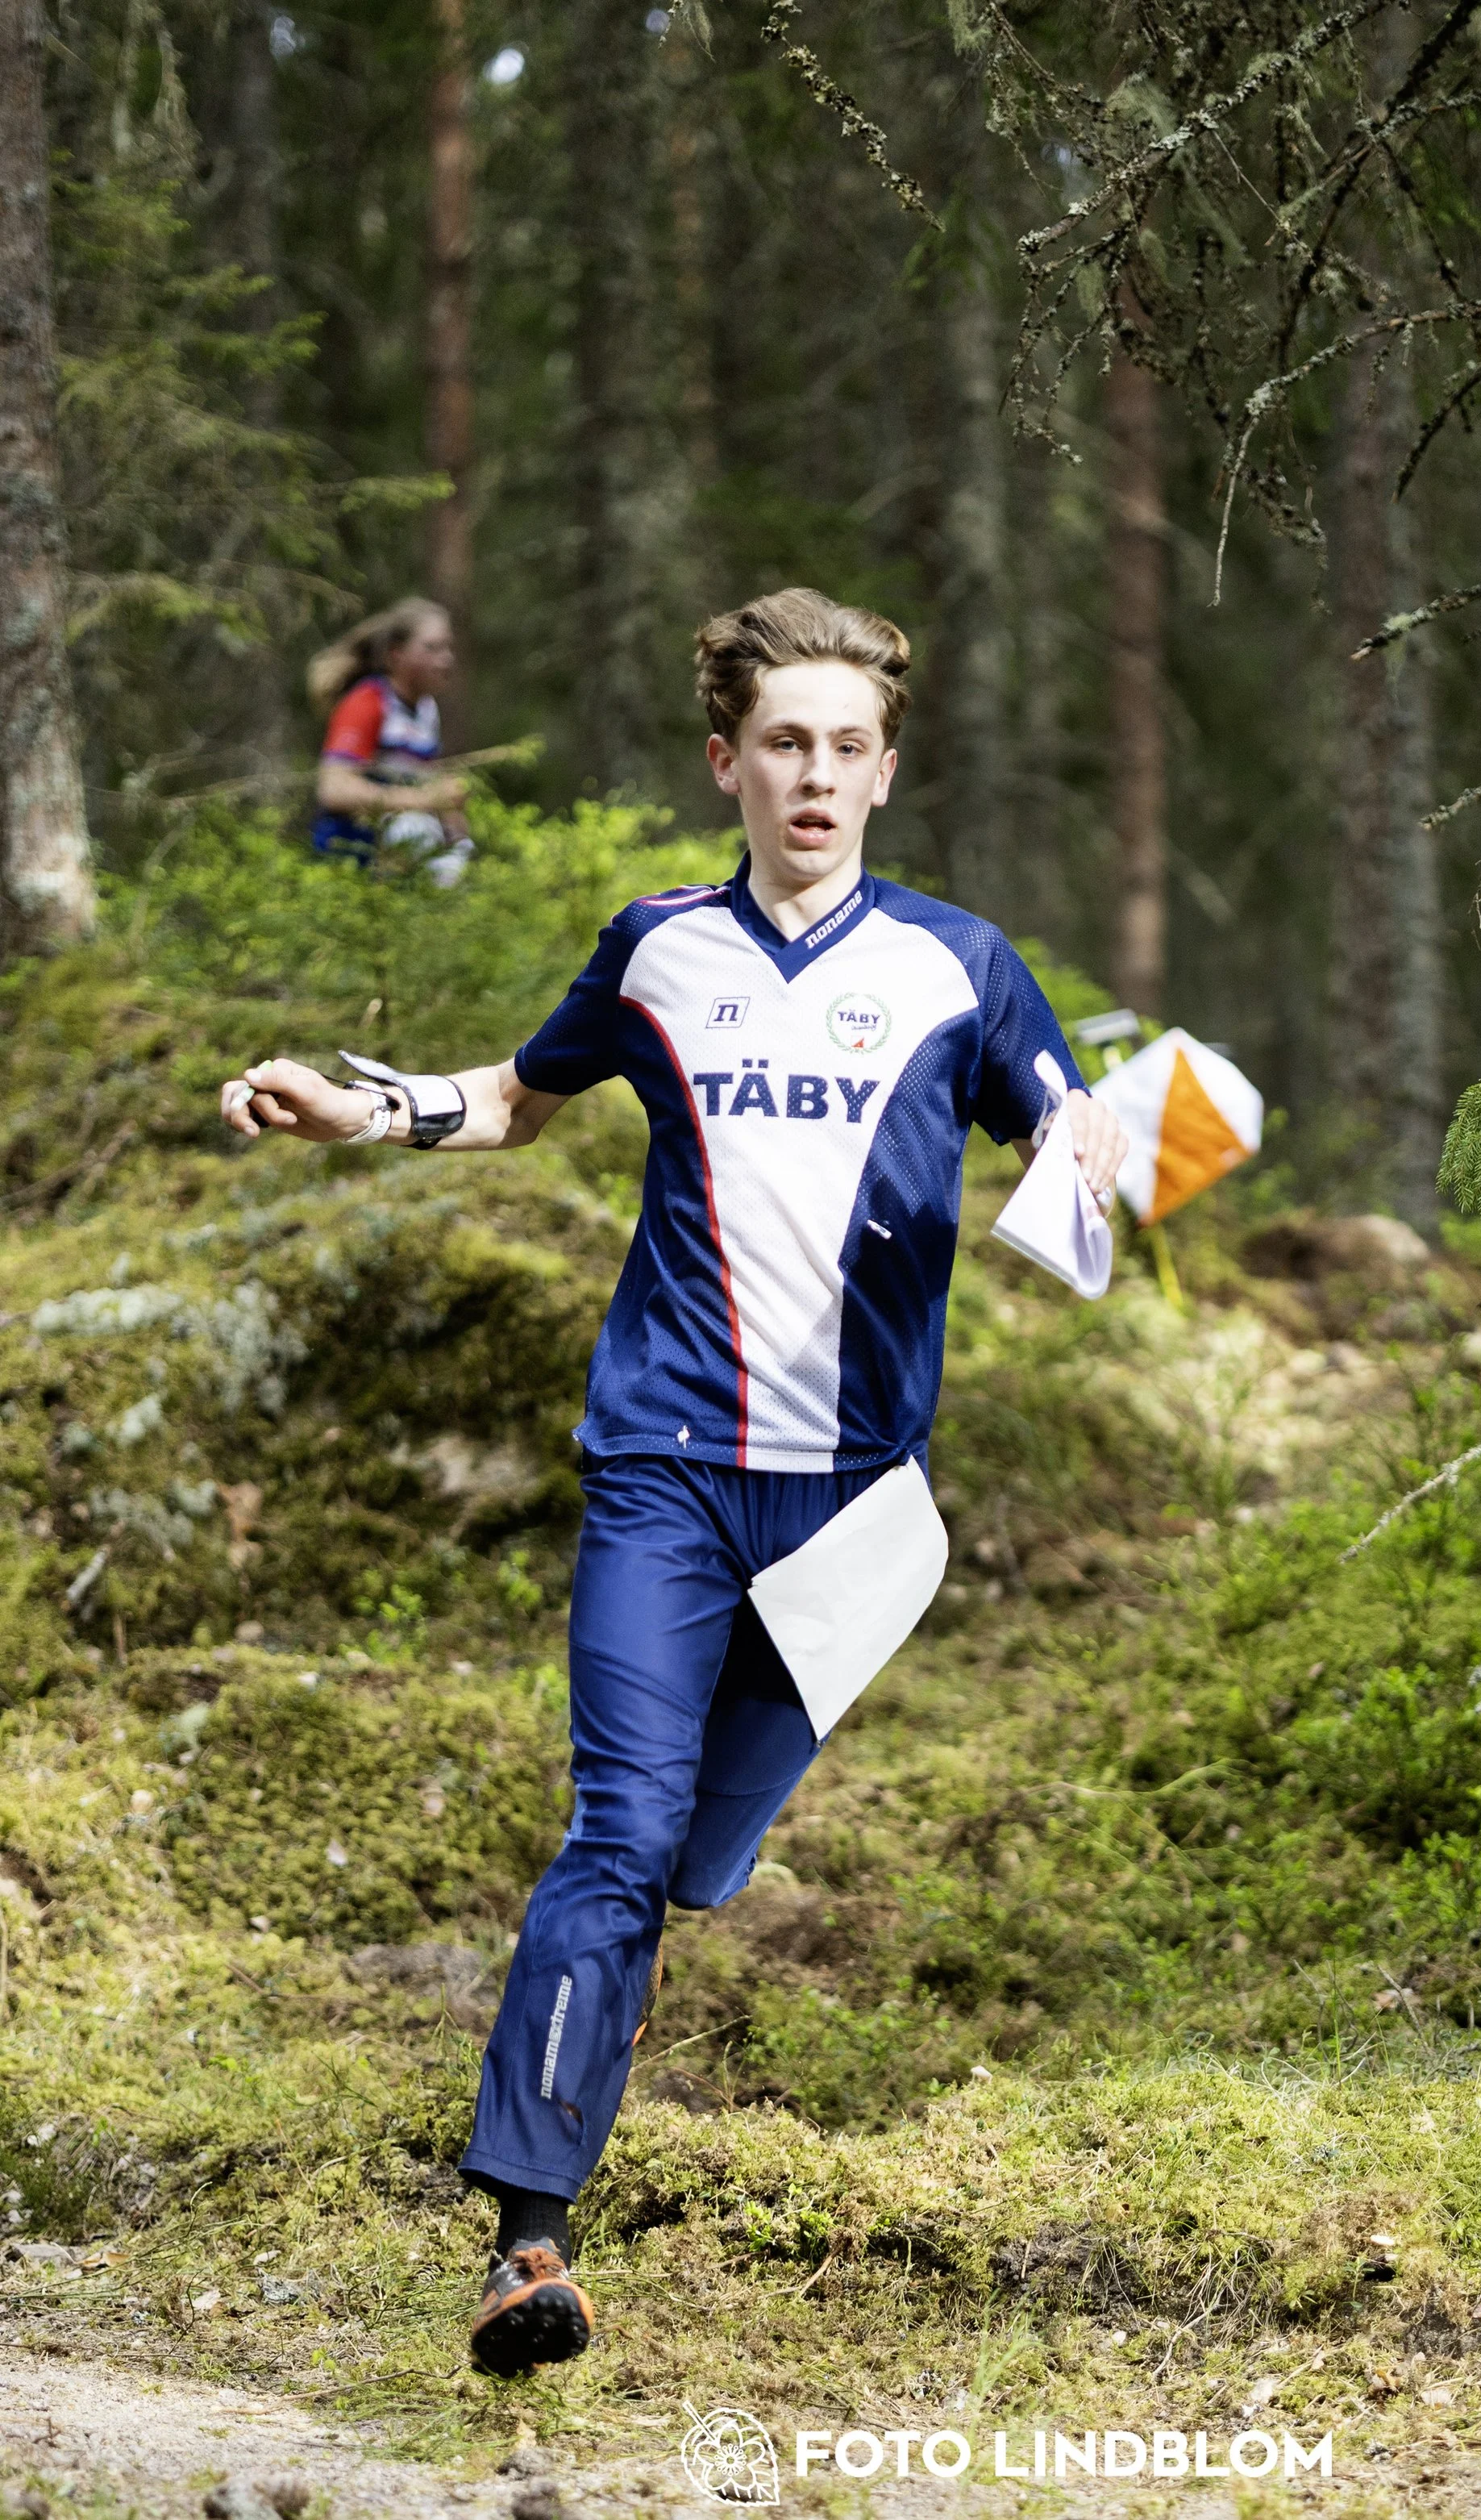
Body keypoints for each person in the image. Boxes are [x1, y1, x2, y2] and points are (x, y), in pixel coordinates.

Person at [218, 586, 1126, 2380]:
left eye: (846, 745)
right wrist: (359, 1111)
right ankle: (527, 2238)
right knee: (619, 1838)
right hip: (667, 1472)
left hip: (856, 1512)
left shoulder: (959, 964)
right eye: (784, 742)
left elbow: (1070, 1130)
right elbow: (516, 1095)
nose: (815, 774)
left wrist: (1094, 1138)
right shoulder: (657, 951)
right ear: (728, 761)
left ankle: (607, 2006)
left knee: (695, 1859)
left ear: (885, 771)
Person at [307, 596, 475, 885]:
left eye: (449, 647)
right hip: (349, 858)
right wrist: (422, 800)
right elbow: (333, 789)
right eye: (432, 648)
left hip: (398, 854)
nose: (446, 659)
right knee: (413, 830)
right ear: (396, 654)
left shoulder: (426, 709)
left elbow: (420, 780)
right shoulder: (367, 702)